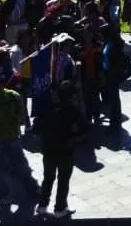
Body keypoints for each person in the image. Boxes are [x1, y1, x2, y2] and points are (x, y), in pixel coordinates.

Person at [0, 69, 39, 208]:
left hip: (12, 138)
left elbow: (22, 115)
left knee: (22, 165)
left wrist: (13, 122)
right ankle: (4, 195)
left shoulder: (14, 97)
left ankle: (32, 190)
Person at [36, 80, 84, 218]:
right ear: (70, 97)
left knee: (48, 179)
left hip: (48, 151)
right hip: (65, 152)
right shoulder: (73, 112)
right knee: (63, 180)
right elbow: (82, 129)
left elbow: (37, 127)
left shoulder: (48, 108)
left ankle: (42, 206)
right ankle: (60, 208)